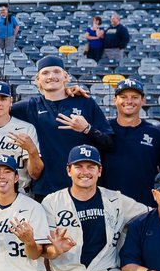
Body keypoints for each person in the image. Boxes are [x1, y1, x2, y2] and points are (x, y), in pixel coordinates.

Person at [11, 56, 113, 199]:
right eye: (45, 73)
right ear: (37, 79)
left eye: (57, 72)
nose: (51, 76)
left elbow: (109, 143)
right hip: (46, 189)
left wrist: (87, 129)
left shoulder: (86, 103)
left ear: (66, 76)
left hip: (83, 189)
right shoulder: (31, 106)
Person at [103, 78, 160, 206]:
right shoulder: (103, 131)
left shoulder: (156, 134)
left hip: (144, 208)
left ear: (143, 100)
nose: (129, 101)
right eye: (123, 97)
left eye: (135, 97)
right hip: (108, 206)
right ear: (115, 100)